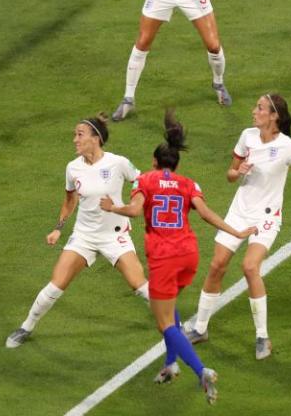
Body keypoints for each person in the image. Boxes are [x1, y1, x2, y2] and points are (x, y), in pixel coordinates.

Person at [100, 110, 258, 404]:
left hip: (163, 257)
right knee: (169, 306)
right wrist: (235, 231)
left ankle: (201, 370)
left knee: (165, 325)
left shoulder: (146, 181)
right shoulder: (188, 184)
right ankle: (171, 365)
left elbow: (135, 210)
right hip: (189, 256)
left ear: (155, 162)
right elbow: (207, 213)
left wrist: (112, 207)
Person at [185, 94, 291, 359]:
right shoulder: (247, 136)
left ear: (274, 116)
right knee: (216, 265)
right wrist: (240, 171)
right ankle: (200, 328)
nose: (254, 111)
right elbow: (230, 175)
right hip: (238, 212)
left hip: (266, 217)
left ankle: (262, 337)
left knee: (250, 266)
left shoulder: (288, 147)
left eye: (260, 108)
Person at [6, 114, 149, 348]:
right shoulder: (72, 168)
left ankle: (175, 327)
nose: (74, 139)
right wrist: (58, 228)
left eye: (80, 134)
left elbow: (141, 179)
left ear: (96, 139)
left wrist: (134, 203)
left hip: (115, 235)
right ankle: (26, 327)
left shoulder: (117, 162)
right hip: (84, 236)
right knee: (56, 284)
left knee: (139, 285)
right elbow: (69, 200)